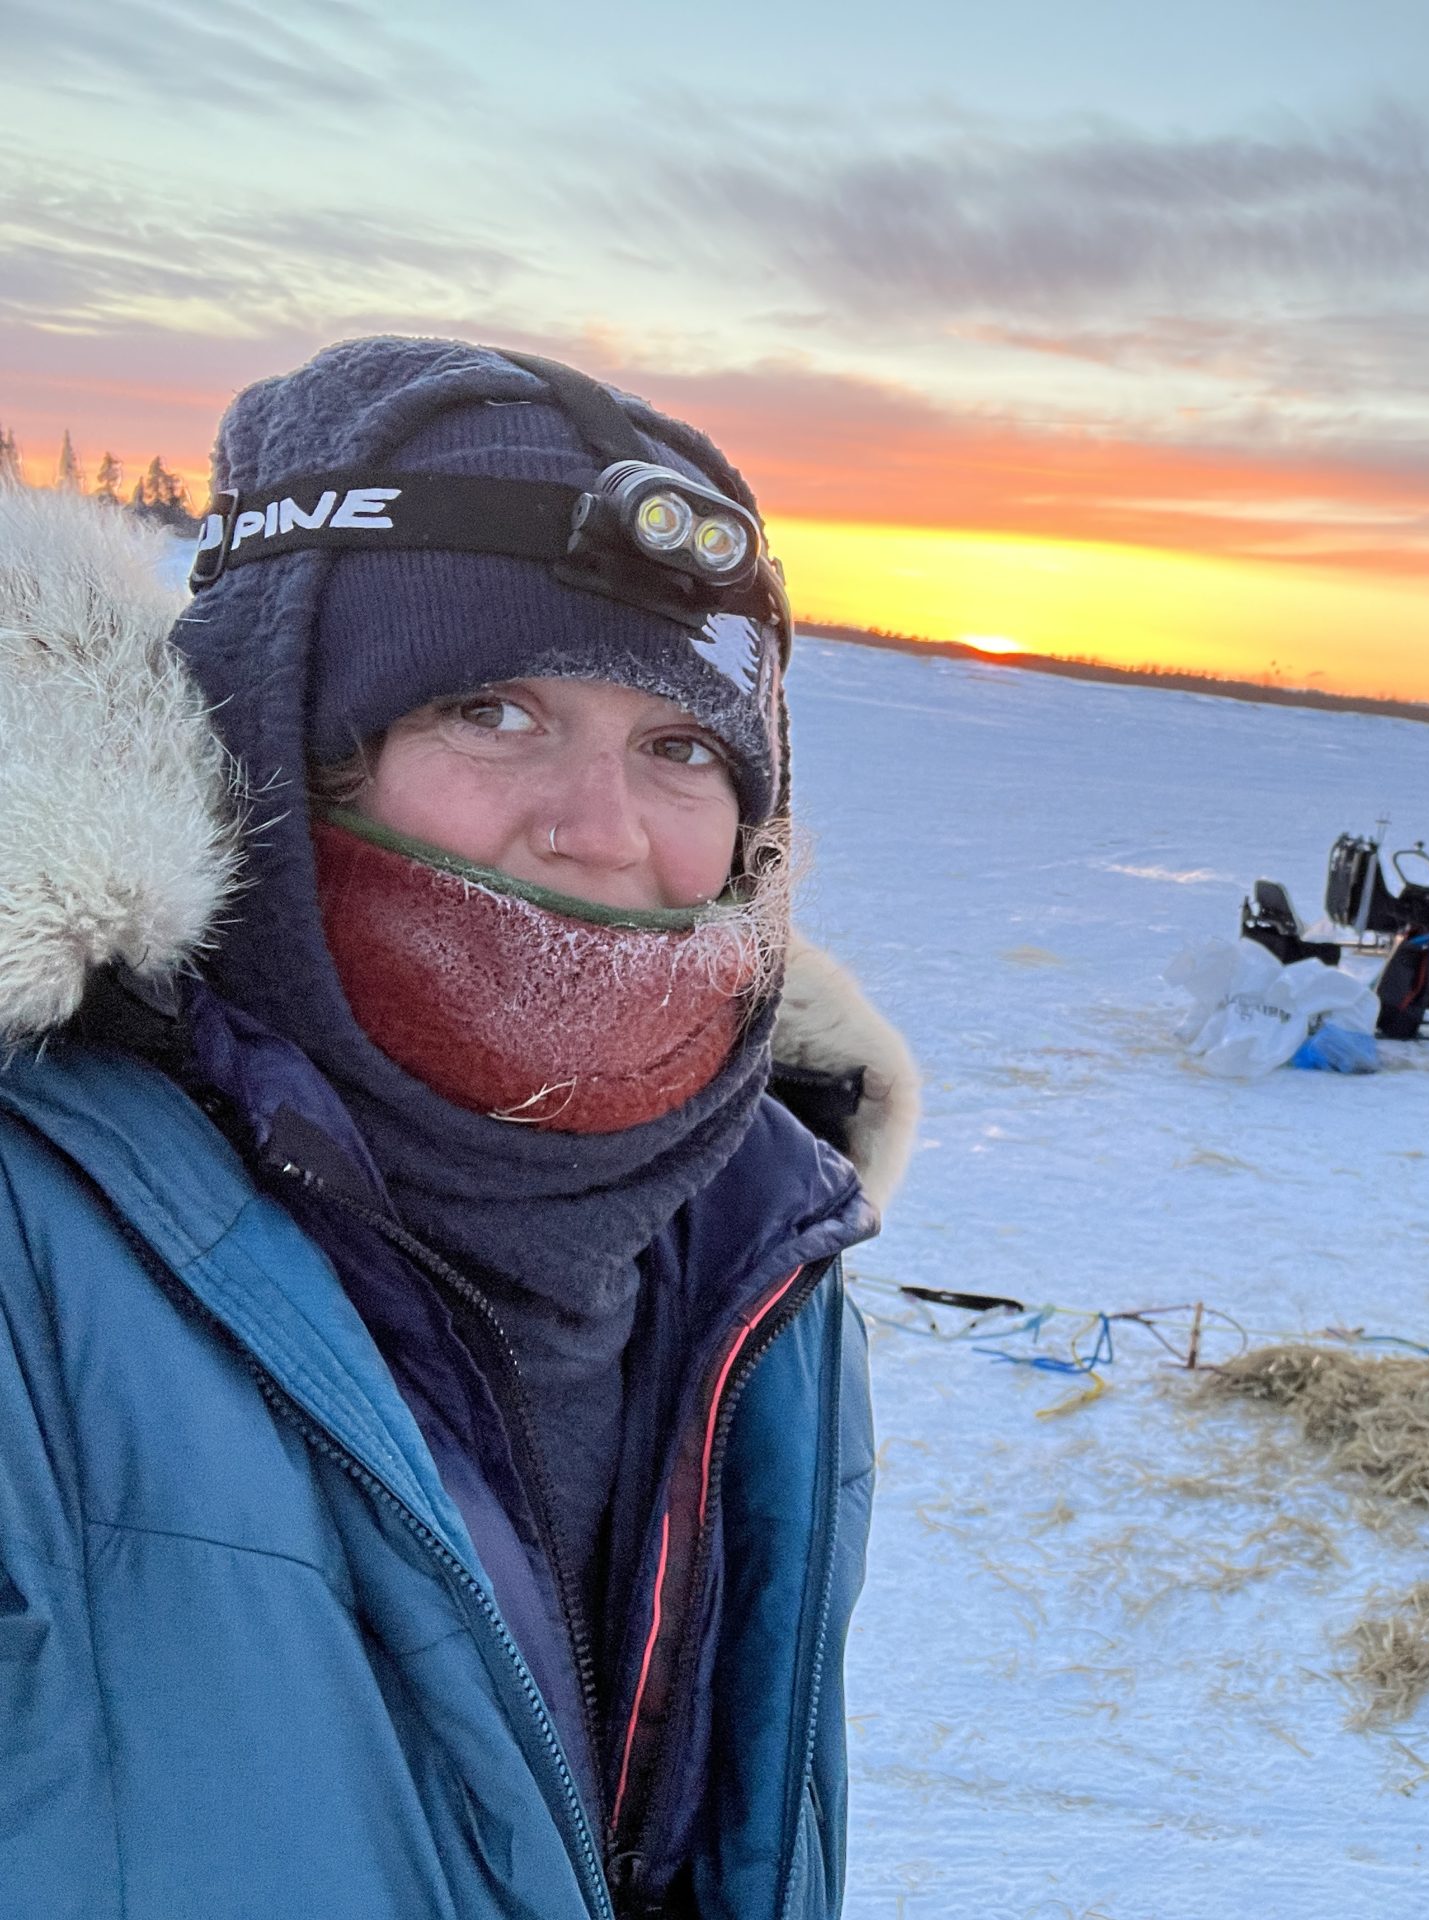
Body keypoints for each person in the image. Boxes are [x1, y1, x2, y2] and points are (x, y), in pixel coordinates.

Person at [0, 338, 920, 1918]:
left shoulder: (763, 1260)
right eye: (489, 712)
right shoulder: (35, 1248)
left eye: (683, 747)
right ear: (278, 751)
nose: (604, 832)